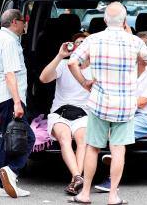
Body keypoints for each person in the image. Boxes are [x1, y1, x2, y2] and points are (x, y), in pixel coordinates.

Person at [68, 2, 147, 205]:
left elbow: (72, 62)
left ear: (105, 19)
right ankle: (113, 195)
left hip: (99, 102)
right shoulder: (134, 42)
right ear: (124, 21)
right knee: (118, 149)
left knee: (92, 147)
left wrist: (84, 82)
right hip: (125, 104)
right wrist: (135, 75)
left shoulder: (94, 40)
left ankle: (85, 193)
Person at [94, 30, 147, 193]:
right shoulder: (128, 68)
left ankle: (112, 178)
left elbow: (142, 103)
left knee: (116, 136)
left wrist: (114, 104)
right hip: (121, 112)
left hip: (145, 117)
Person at [0, 8, 35, 198]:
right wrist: (17, 102)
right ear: (15, 22)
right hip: (9, 98)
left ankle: (2, 185)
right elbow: (10, 74)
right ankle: (12, 171)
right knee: (27, 138)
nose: (25, 24)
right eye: (23, 21)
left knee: (8, 140)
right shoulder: (8, 42)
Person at [38, 32, 92, 196]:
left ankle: (75, 179)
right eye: (77, 42)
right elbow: (43, 78)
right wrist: (60, 55)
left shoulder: (97, 68)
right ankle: (77, 176)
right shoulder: (63, 64)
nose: (81, 44)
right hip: (60, 113)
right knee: (64, 138)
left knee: (83, 140)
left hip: (84, 113)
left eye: (84, 42)